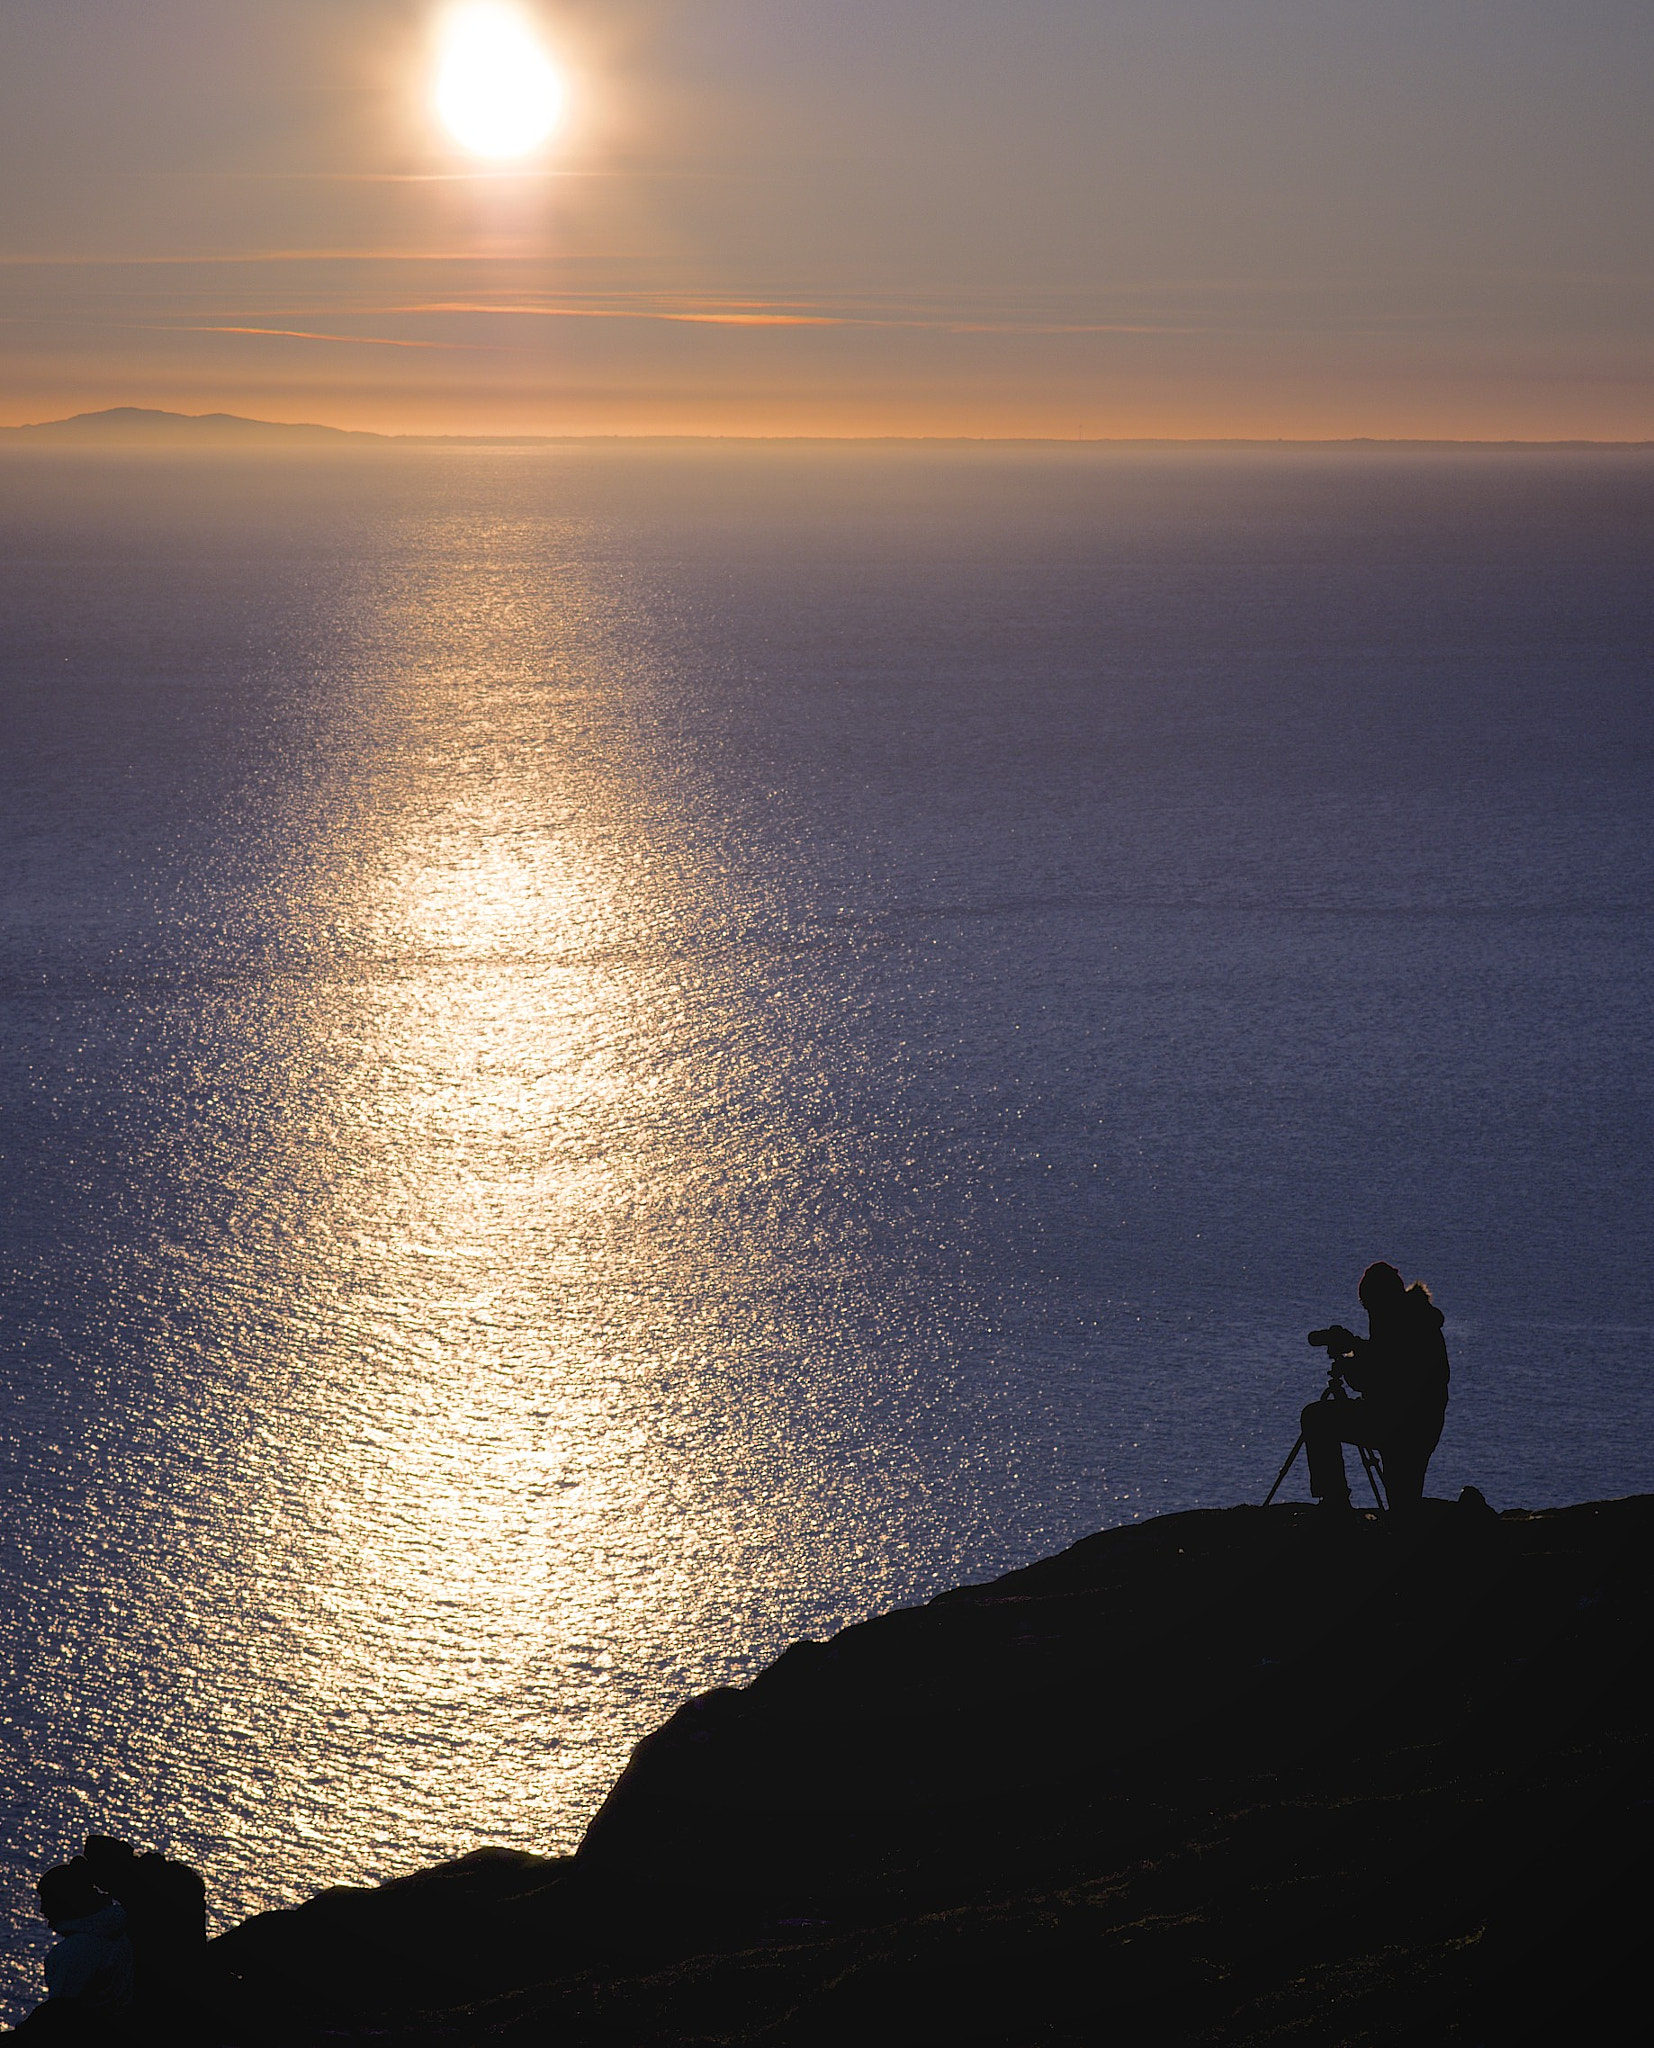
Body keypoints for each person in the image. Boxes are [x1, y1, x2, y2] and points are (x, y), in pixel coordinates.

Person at [1301, 1261, 1449, 1510]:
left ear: (1380, 1299)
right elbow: (1384, 1366)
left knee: (1316, 1418)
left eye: (1368, 1304)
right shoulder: (1414, 1318)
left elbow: (1382, 1374)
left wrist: (1350, 1355)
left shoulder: (1400, 1322)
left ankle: (1334, 1502)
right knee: (1404, 1504)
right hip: (1418, 1426)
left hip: (1398, 1425)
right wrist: (1355, 1352)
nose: (1368, 1311)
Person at [14, 1861, 134, 2037]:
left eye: (47, 1900)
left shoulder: (75, 1952)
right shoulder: (116, 1933)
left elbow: (61, 2014)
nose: (42, 1910)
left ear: (65, 1901)